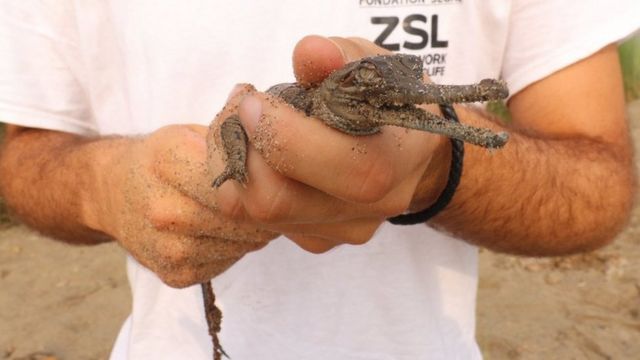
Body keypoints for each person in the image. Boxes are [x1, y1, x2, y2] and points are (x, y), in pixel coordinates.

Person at [0, 1, 637, 359]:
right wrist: (103, 185)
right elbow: (26, 152)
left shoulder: (393, 99)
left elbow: (600, 182)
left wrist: (443, 165)